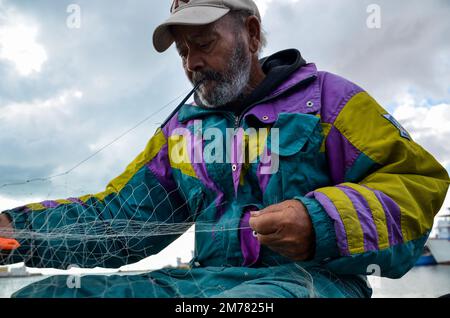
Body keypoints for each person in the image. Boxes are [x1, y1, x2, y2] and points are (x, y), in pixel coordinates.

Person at [0, 0, 448, 298]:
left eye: (203, 43)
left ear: (251, 35)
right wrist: (14, 230)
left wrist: (320, 221)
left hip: (316, 283)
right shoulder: (180, 132)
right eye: (182, 51)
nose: (192, 62)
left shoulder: (332, 100)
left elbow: (415, 184)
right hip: (202, 284)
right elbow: (121, 216)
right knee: (48, 293)